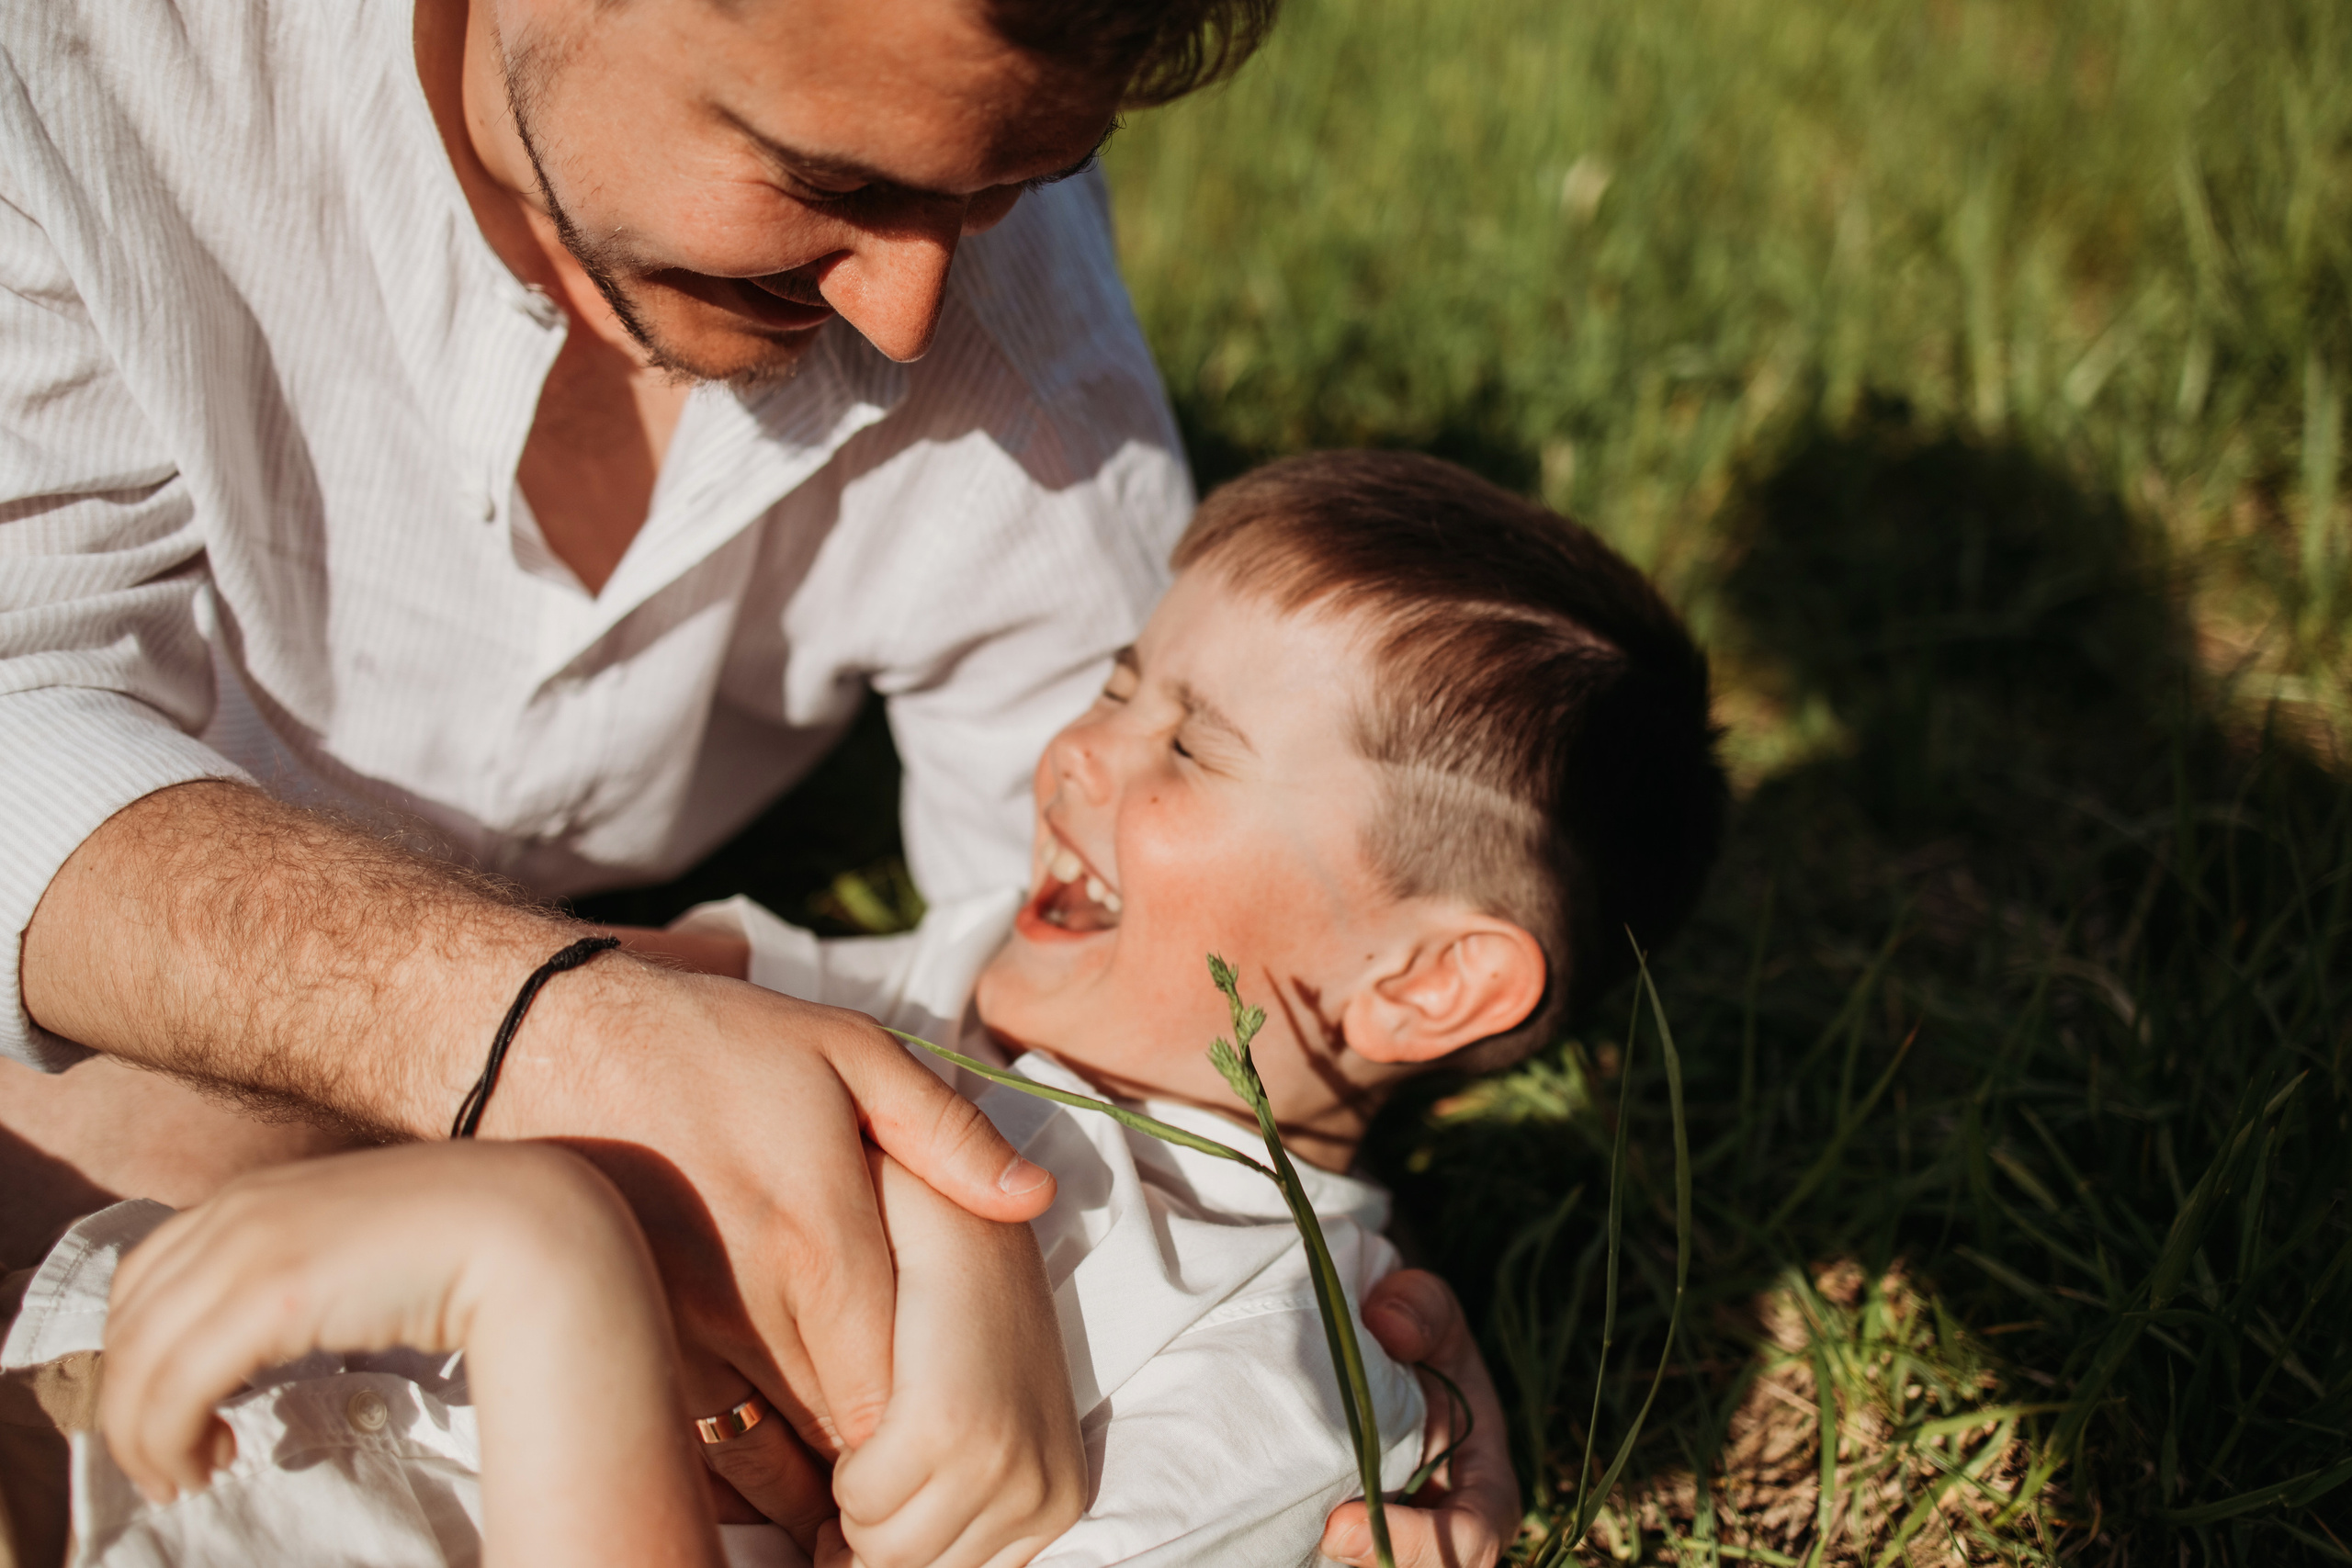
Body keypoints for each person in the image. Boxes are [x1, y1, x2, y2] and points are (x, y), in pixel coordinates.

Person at [7, 451, 1727, 1568]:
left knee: (530, 1238)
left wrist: (552, 1268)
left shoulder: (1271, 1351)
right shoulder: (944, 976)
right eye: (1117, 685)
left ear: (1426, 981)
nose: (1078, 755)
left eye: (1190, 748)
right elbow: (586, 996)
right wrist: (935, 1184)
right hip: (151, 1435)